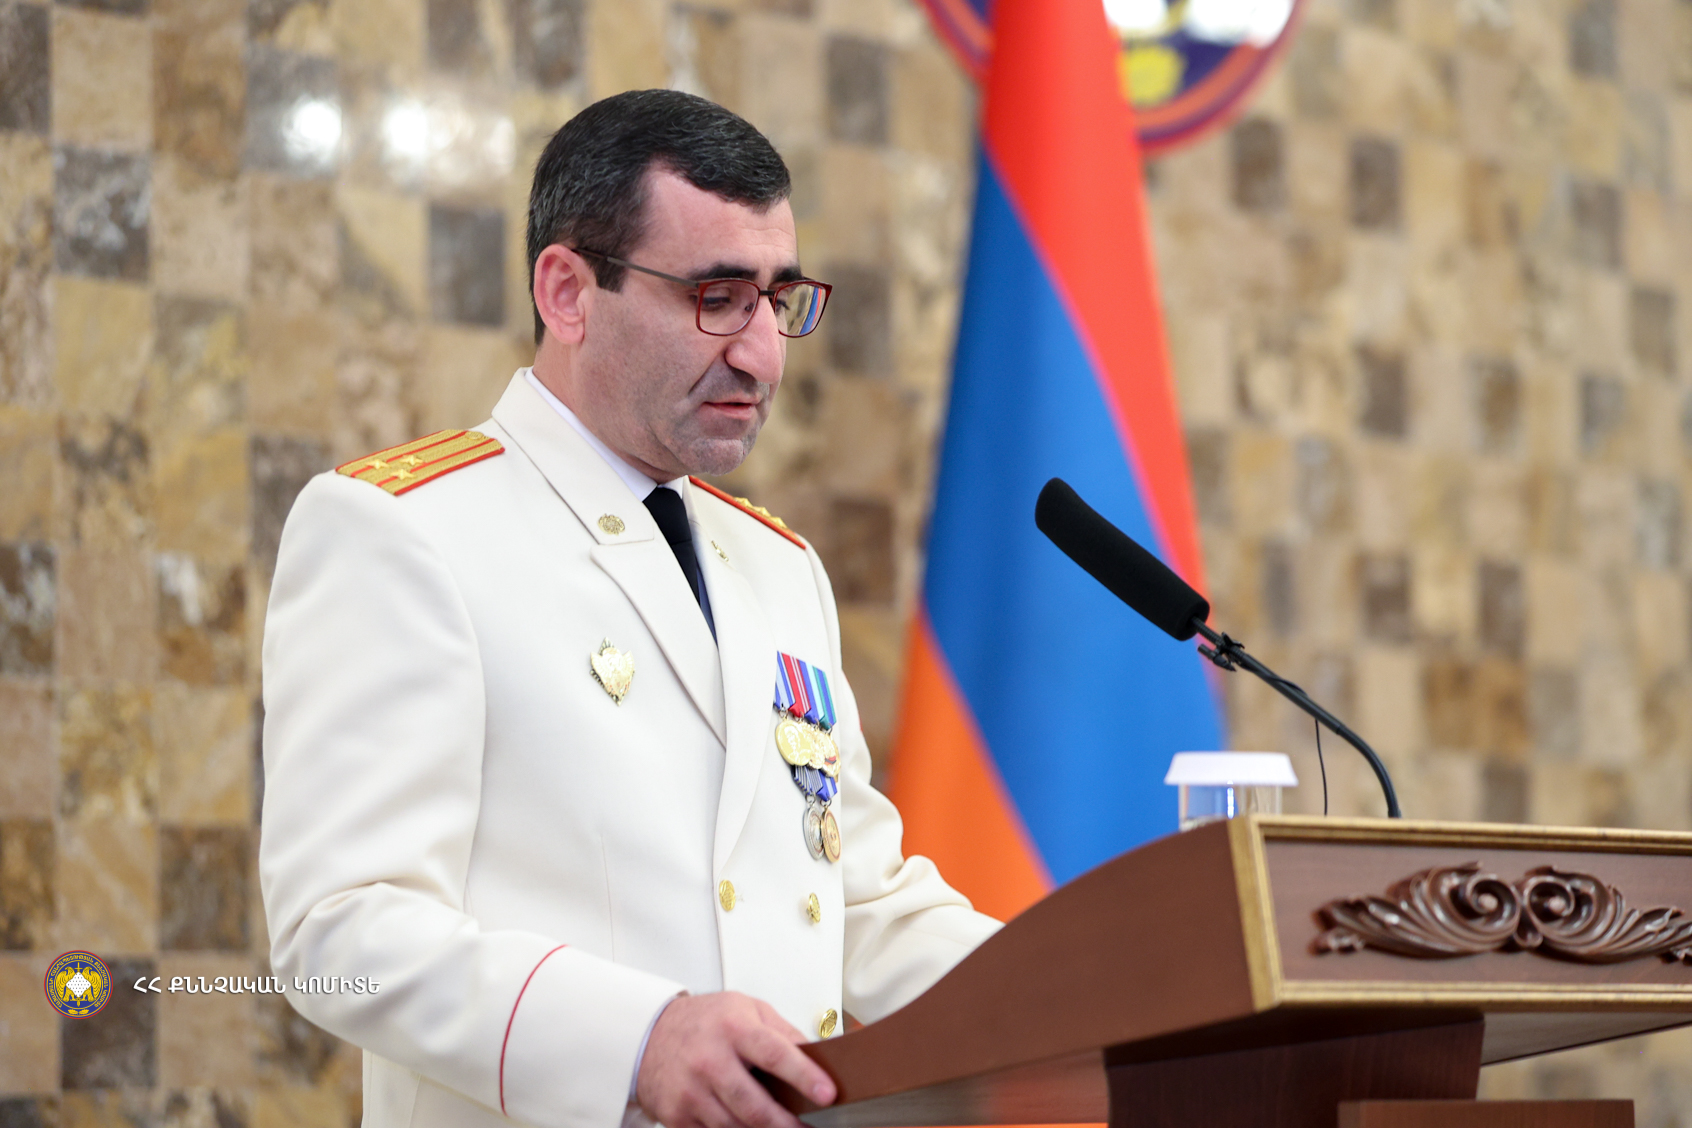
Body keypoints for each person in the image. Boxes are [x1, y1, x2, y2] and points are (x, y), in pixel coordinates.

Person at [259, 89, 1002, 1128]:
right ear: (567, 292)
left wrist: (1118, 998)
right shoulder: (406, 530)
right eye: (716, 297)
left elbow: (860, 903)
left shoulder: (778, 565)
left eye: (779, 300)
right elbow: (339, 932)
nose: (763, 354)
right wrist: (636, 1039)